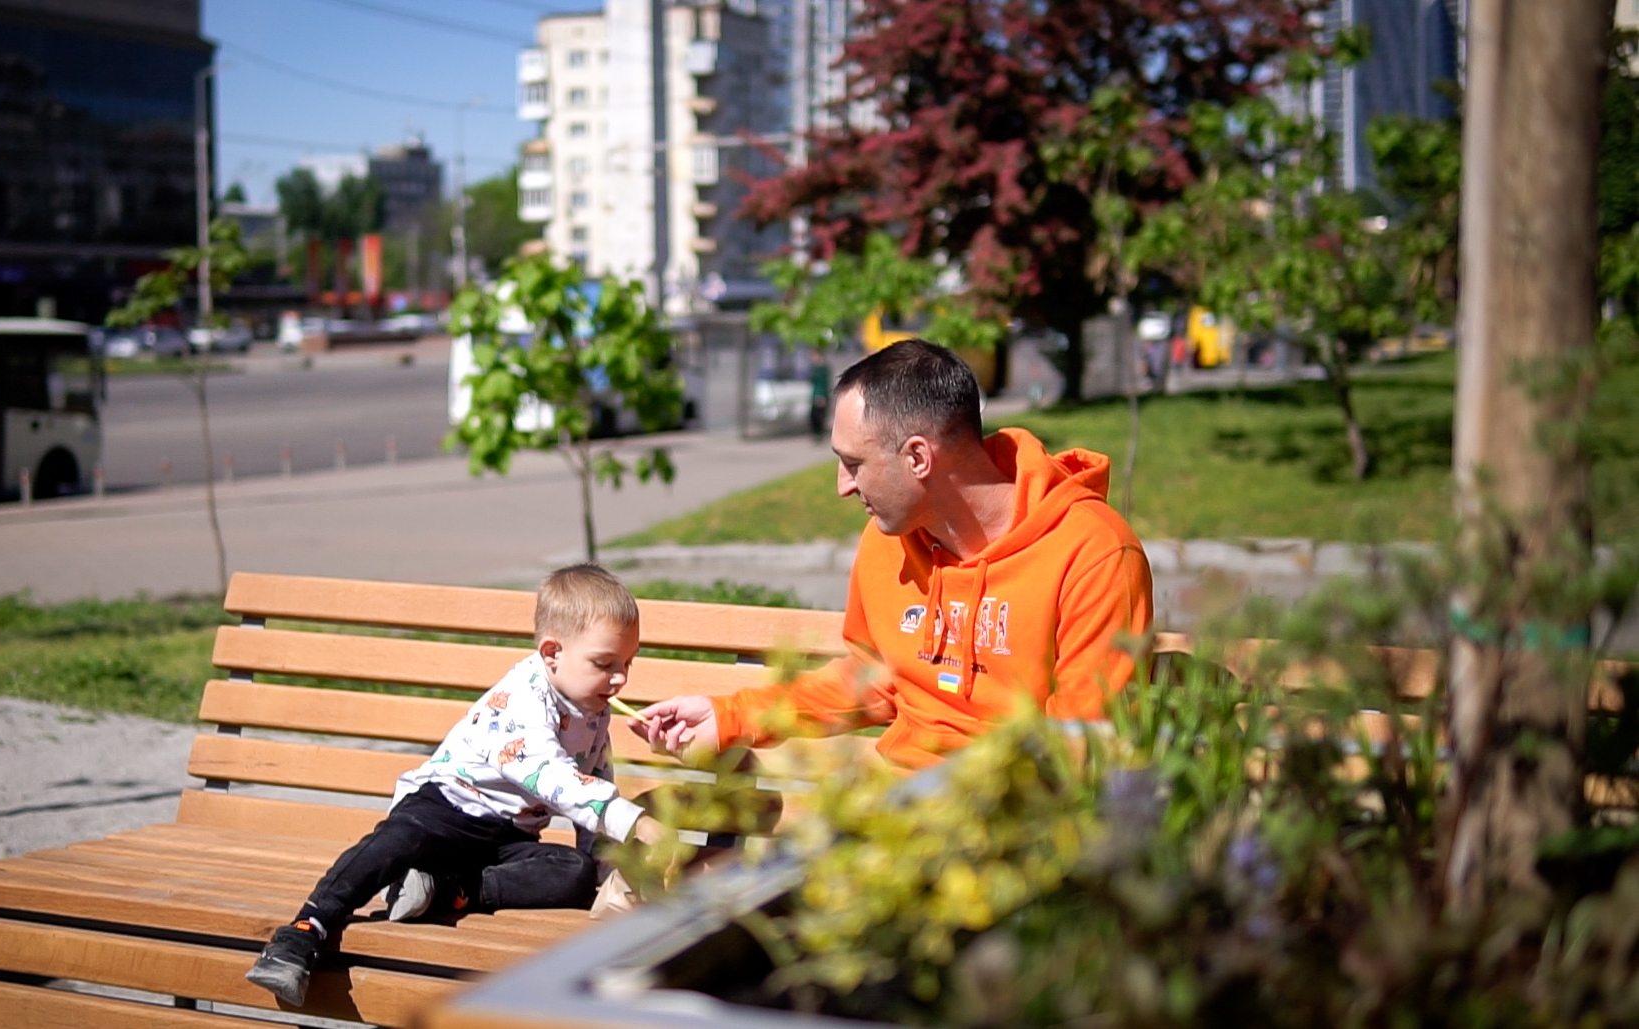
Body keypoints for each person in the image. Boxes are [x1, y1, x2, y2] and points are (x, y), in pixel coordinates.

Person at [634, 339, 1152, 769]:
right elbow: (873, 677)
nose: (843, 486)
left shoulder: (1094, 553)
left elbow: (1081, 746)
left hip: (1009, 834)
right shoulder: (889, 537)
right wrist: (731, 717)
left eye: (853, 463)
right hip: (896, 823)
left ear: (919, 457)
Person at [246, 564, 669, 1006]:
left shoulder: (593, 708)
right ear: (551, 653)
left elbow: (594, 778)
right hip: (447, 806)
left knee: (573, 873)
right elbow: (549, 775)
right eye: (605, 663)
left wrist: (606, 873)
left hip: (506, 835)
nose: (621, 678)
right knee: (397, 839)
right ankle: (303, 931)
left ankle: (446, 888)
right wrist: (629, 819)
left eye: (628, 662)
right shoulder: (522, 699)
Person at [808, 347, 832, 441]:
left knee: (819, 416)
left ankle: (819, 435)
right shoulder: (814, 368)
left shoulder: (823, 369)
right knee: (813, 416)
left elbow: (825, 383)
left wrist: (823, 396)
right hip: (815, 394)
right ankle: (816, 434)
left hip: (821, 395)